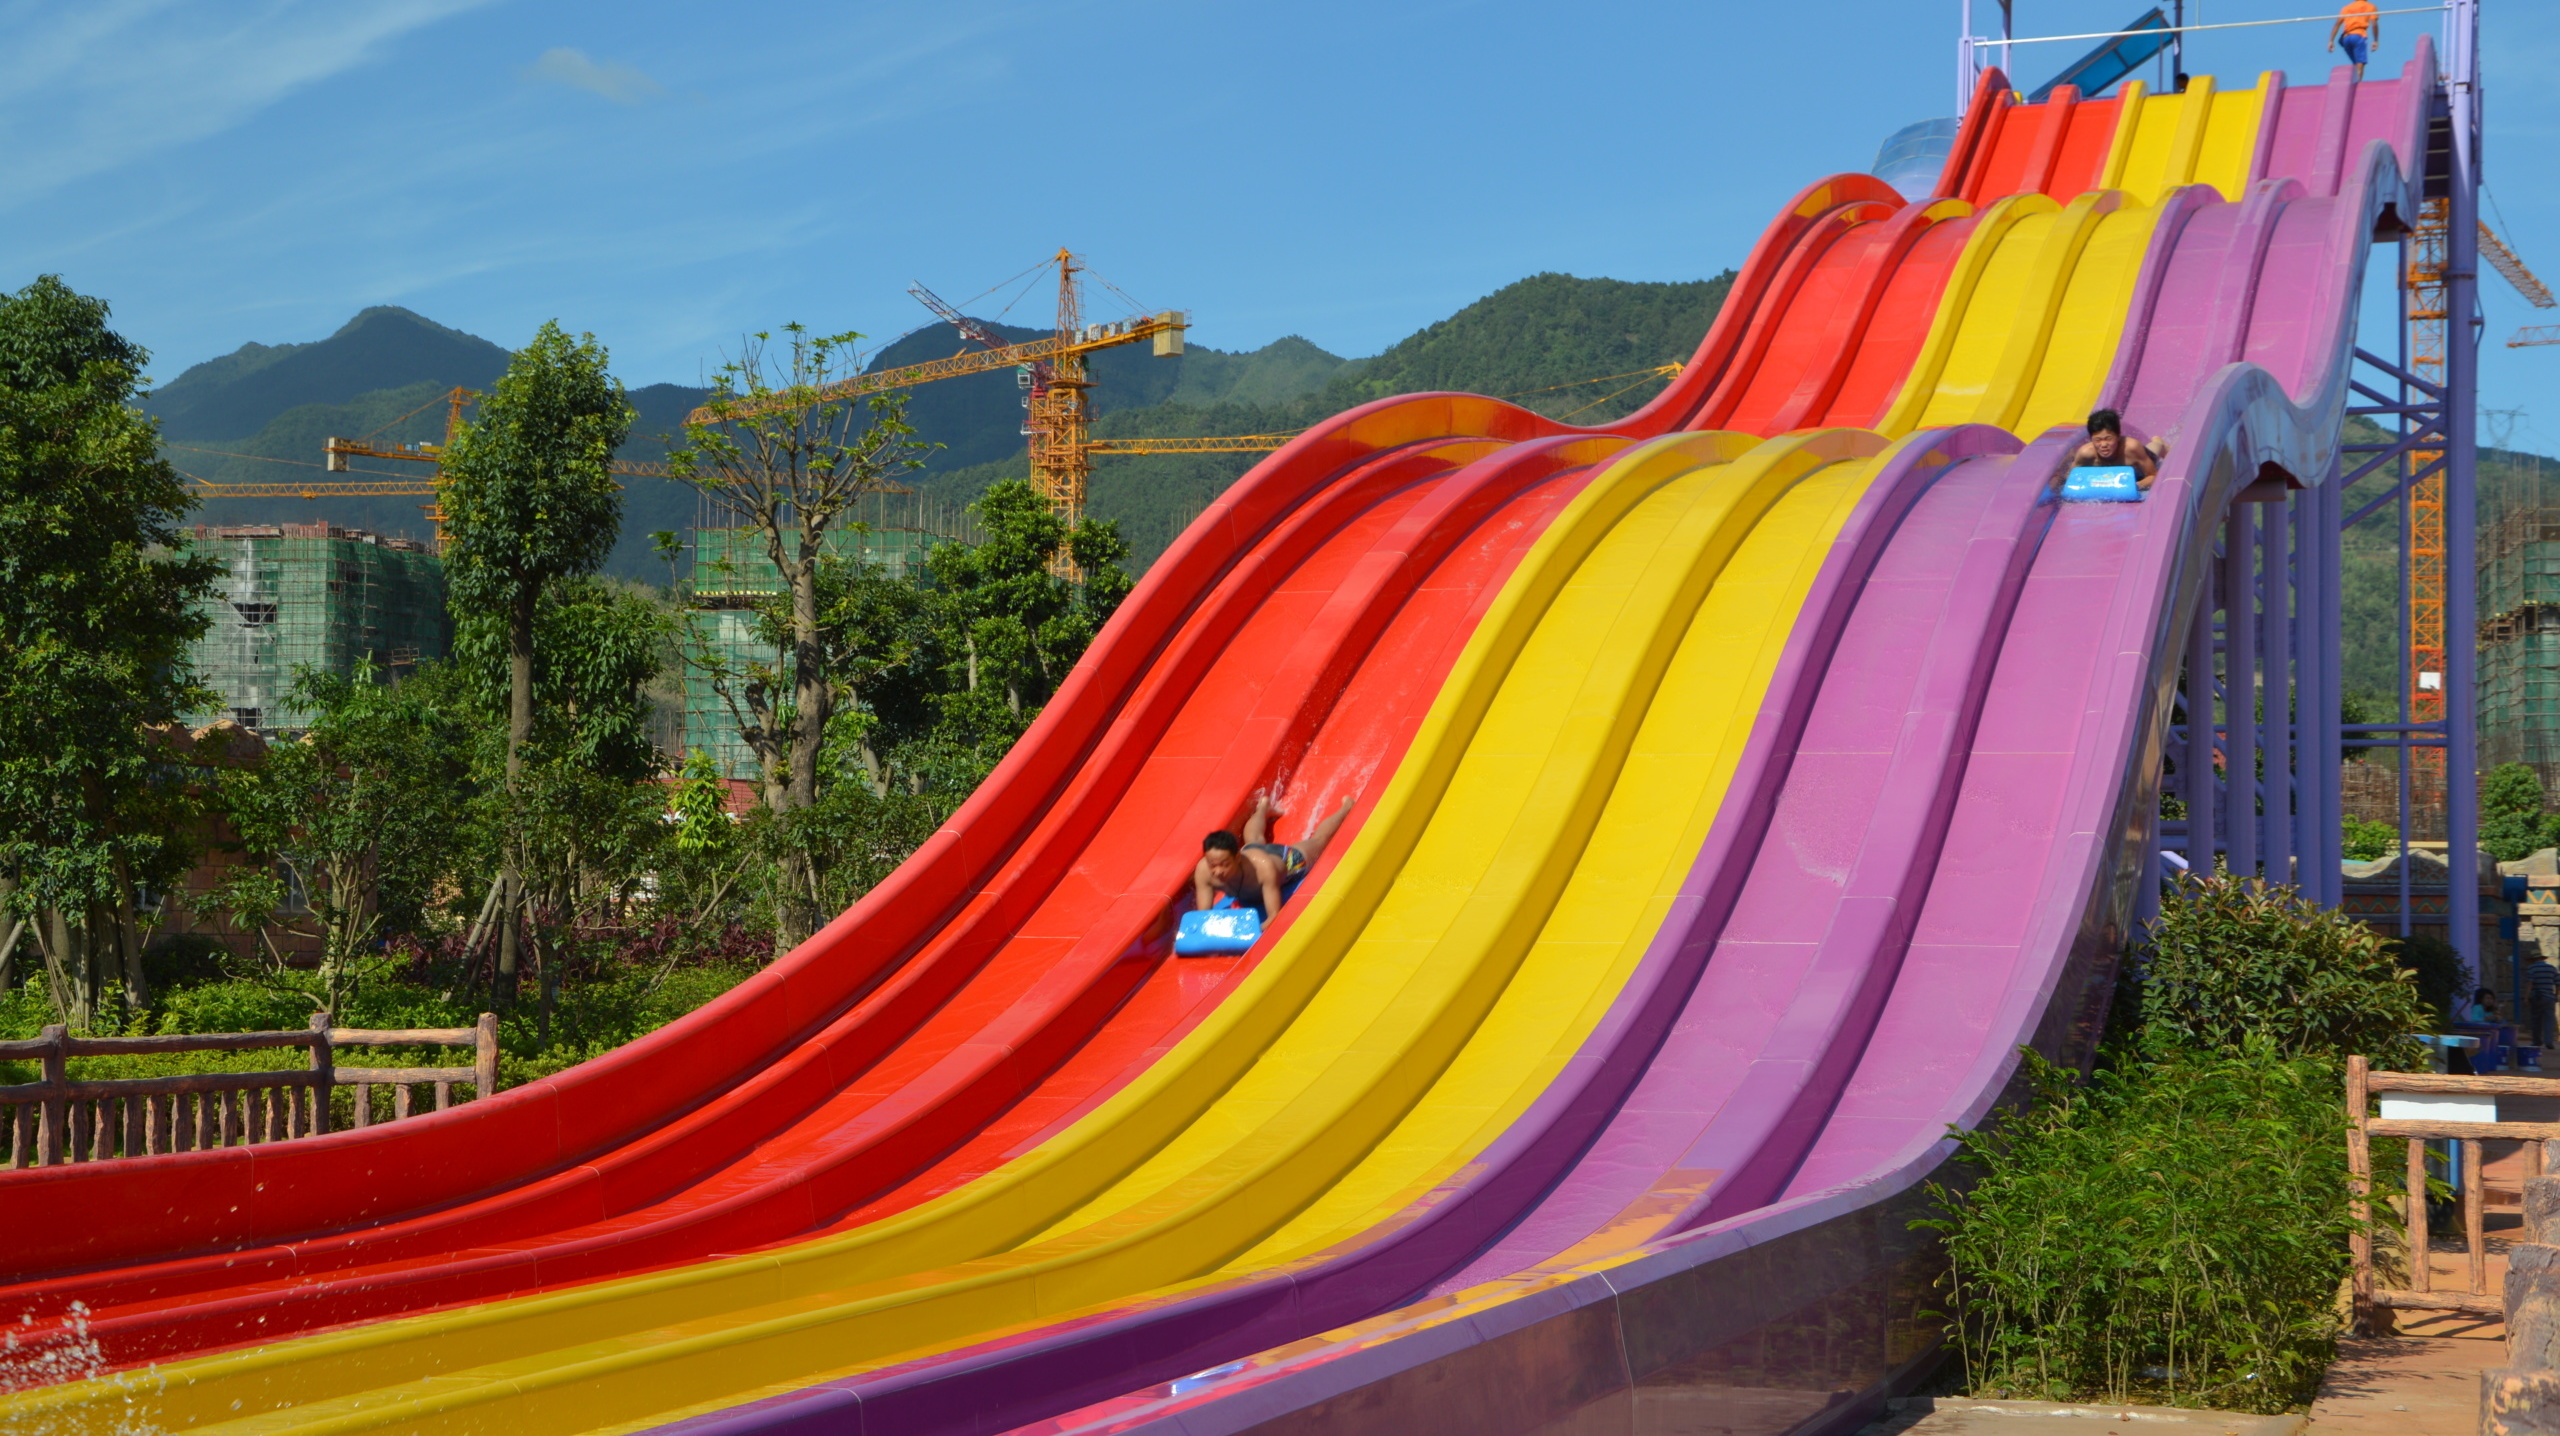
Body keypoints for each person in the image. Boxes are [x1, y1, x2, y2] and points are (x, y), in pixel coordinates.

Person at [1196, 791, 1356, 919]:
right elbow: (1204, 917)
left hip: (1288, 862)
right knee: (1253, 839)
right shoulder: (1204, 871)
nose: (1217, 871)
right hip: (1252, 853)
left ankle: (1346, 808)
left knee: (1319, 841)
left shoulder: (1263, 870)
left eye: (1224, 864)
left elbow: (1273, 916)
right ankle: (1263, 808)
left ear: (1237, 858)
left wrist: (1252, 932)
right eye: (1212, 864)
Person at [2070, 409, 2165, 490]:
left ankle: (2159, 442)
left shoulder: (2131, 448)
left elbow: (2154, 476)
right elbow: (2069, 478)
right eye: (2098, 440)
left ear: (2118, 436)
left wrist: (2135, 486)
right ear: (2091, 439)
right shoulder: (2085, 453)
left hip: (2140, 465)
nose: (2103, 444)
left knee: (2155, 449)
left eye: (2108, 438)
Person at [2329, 0, 2381, 79]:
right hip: (2359, 35)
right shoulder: (2370, 6)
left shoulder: (2347, 8)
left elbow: (2337, 24)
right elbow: (2374, 24)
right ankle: (2358, 84)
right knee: (2360, 63)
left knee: (2356, 64)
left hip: (2346, 38)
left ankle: (2353, 80)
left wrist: (2331, 41)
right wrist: (2375, 40)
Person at [2530, 954, 2560, 1051]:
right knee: (2549, 1020)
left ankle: (2537, 1041)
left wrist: (2526, 997)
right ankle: (2549, 1041)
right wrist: (2556, 995)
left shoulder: (2532, 968)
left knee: (2536, 1020)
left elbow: (2529, 983)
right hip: (2549, 998)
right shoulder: (2552, 968)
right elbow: (2558, 983)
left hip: (2537, 997)